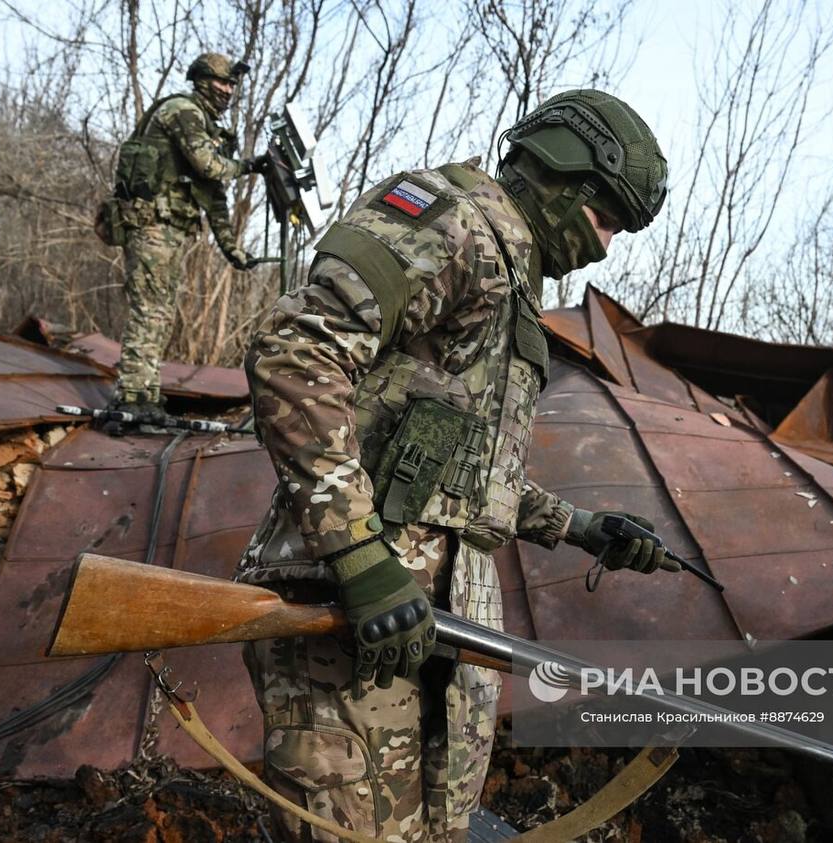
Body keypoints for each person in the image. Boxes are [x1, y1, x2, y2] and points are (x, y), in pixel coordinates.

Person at [237, 89, 670, 842]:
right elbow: (295, 352)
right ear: (564, 173)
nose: (603, 247)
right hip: (350, 621)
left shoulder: (511, 280)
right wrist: (361, 556)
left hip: (441, 629)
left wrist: (579, 526)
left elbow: (456, 470)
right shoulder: (455, 219)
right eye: (605, 218)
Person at [106, 52, 268, 419]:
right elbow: (208, 166)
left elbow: (213, 196)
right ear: (201, 80)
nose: (228, 90)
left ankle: (144, 395)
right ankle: (131, 397)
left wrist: (231, 248)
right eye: (222, 82)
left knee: (161, 314)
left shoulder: (208, 127)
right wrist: (250, 166)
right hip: (151, 225)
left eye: (231, 84)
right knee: (150, 311)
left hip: (171, 231)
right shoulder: (184, 112)